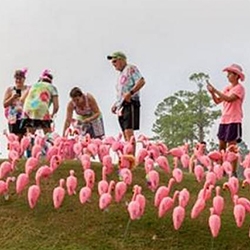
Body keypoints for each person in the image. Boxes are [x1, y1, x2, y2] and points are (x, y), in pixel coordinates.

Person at [206, 63, 245, 177]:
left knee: (231, 147)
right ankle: (221, 169)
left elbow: (228, 99)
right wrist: (212, 93)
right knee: (221, 145)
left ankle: (233, 172)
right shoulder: (227, 88)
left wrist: (216, 90)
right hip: (224, 119)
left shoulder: (239, 88)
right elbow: (218, 101)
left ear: (236, 76)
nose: (227, 76)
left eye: (229, 74)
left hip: (234, 119)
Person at [107, 51, 145, 143]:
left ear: (121, 60)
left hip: (130, 102)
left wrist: (131, 93)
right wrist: (116, 104)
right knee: (124, 133)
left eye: (115, 61)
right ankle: (127, 155)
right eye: (112, 62)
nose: (113, 64)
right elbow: (121, 92)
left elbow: (141, 81)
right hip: (121, 105)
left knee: (129, 131)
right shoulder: (120, 75)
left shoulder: (131, 68)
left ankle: (131, 156)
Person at [21, 69, 59, 136]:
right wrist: (52, 114)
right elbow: (56, 106)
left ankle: (30, 145)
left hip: (28, 109)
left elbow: (22, 99)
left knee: (30, 136)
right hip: (42, 110)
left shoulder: (33, 86)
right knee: (48, 135)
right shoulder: (52, 87)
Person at [3, 68, 29, 141]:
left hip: (26, 117)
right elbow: (4, 104)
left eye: (20, 78)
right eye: (16, 78)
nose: (18, 80)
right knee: (15, 140)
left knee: (27, 140)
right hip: (14, 118)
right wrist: (12, 98)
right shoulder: (10, 89)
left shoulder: (28, 89)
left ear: (24, 79)